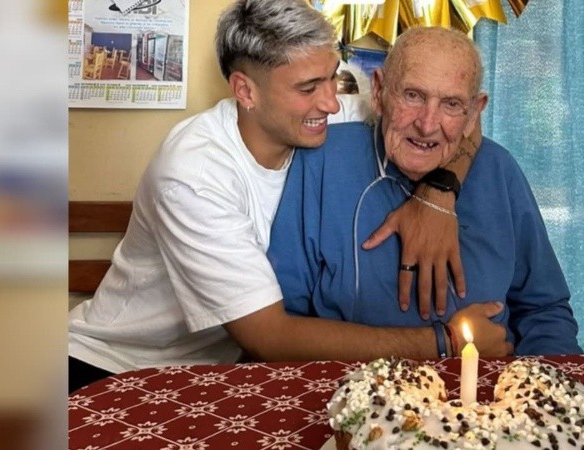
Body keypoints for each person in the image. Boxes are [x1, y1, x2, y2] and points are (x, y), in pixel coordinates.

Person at [68, 0, 508, 394]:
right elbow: (267, 334)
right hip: (116, 369)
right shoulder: (193, 173)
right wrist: (445, 342)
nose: (332, 103)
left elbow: (460, 118)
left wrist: (437, 194)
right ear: (245, 91)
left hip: (222, 373)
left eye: (332, 80)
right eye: (307, 88)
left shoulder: (322, 115)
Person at [268, 26, 583, 356]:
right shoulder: (320, 162)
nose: (428, 124)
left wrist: (537, 392)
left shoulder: (499, 170)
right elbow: (287, 323)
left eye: (451, 104)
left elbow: (544, 311)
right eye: (413, 96)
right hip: (354, 392)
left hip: (488, 396)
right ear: (378, 92)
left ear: (474, 113)